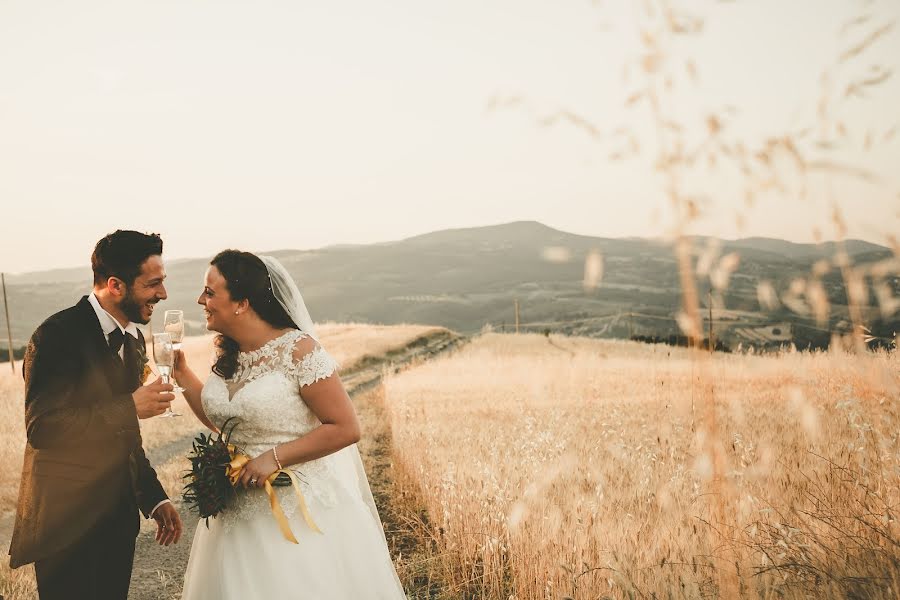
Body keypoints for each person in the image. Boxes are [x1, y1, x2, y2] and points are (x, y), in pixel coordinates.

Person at [177, 250, 406, 599]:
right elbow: (224, 421)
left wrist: (275, 457)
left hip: (298, 515)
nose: (200, 300)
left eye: (210, 292)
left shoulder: (299, 350)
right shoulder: (230, 356)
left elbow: (345, 427)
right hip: (237, 518)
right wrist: (180, 372)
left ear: (242, 302)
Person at [8, 230, 184, 599]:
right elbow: (43, 428)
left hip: (116, 523)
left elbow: (125, 436)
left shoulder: (132, 338)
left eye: (162, 282)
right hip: (65, 526)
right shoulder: (55, 335)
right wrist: (130, 406)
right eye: (153, 284)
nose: (163, 294)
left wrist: (154, 497)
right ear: (116, 285)